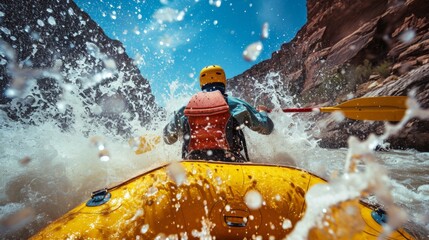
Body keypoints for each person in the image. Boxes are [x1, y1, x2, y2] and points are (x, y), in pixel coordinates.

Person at [163, 65, 274, 162]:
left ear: (202, 84)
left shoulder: (186, 109)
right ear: (223, 82)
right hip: (231, 161)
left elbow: (167, 138)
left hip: (193, 163)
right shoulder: (236, 104)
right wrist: (262, 112)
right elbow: (266, 128)